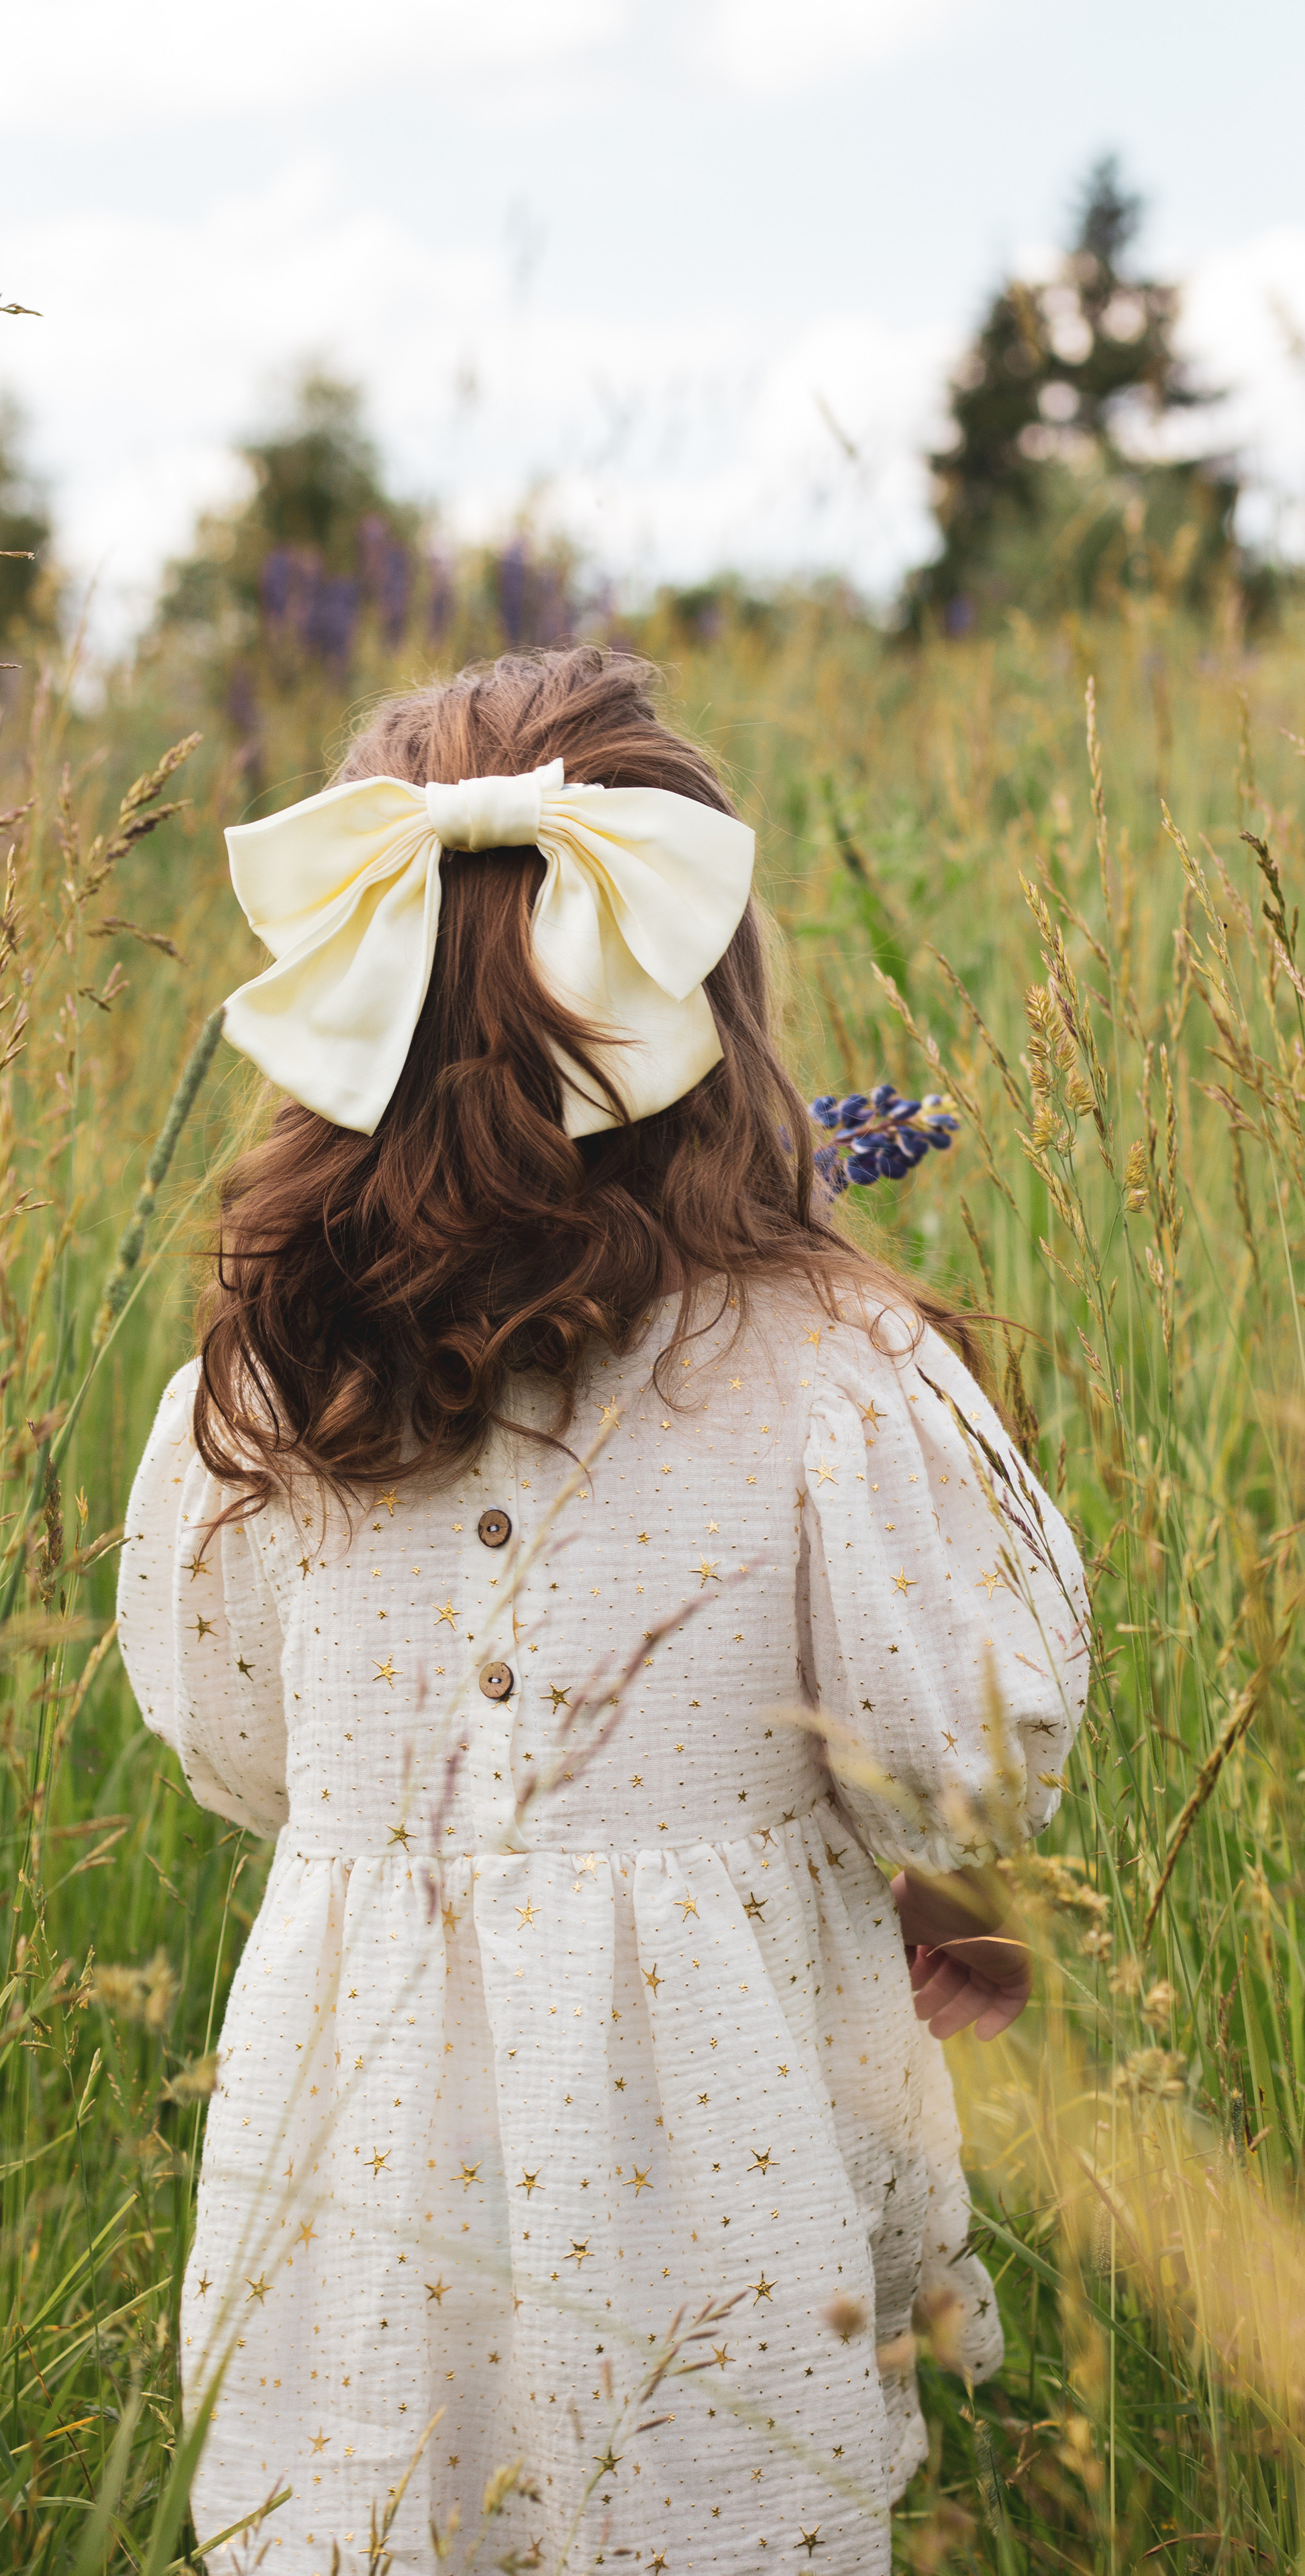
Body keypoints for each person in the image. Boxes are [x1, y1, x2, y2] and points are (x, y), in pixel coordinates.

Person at [116, 647, 1088, 2574]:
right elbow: (961, 1759)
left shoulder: (268, 1381)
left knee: (364, 2520)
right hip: (727, 2175)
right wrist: (957, 1891)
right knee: (726, 2504)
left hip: (357, 2144)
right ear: (718, 1004)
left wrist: (413, 1834)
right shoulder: (832, 1366)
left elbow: (235, 1740)